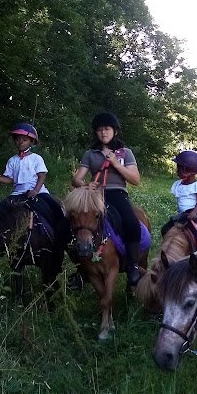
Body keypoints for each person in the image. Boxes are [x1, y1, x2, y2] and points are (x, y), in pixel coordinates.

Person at [71, 112, 142, 287]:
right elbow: (76, 179)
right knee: (71, 224)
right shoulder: (90, 154)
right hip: (95, 196)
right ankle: (81, 269)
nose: (103, 132)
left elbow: (135, 179)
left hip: (116, 193)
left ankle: (133, 266)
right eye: (100, 129)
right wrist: (85, 185)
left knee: (131, 223)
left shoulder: (125, 153)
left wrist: (116, 164)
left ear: (115, 131)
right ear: (96, 132)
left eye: (107, 129)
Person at [0, 122, 63, 223]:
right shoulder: (12, 160)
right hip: (18, 193)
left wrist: (35, 191)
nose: (21, 142)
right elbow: (10, 179)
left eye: (24, 140)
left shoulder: (36, 158)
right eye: (18, 139)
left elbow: (42, 176)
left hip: (38, 192)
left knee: (55, 206)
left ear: (31, 142)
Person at [160, 150, 197, 240]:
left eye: (179, 168)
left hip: (196, 212)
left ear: (187, 171)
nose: (177, 171)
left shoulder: (196, 185)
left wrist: (194, 212)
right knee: (165, 229)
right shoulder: (178, 184)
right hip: (183, 214)